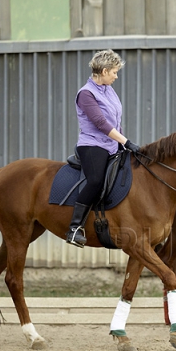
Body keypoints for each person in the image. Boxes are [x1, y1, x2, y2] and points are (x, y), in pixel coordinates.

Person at [65, 49, 140, 247]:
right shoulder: (86, 94)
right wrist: (126, 141)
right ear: (105, 71)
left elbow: (116, 120)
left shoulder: (108, 90)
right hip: (93, 145)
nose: (116, 76)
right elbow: (101, 123)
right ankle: (74, 228)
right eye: (114, 72)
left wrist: (122, 144)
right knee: (96, 180)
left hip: (112, 145)